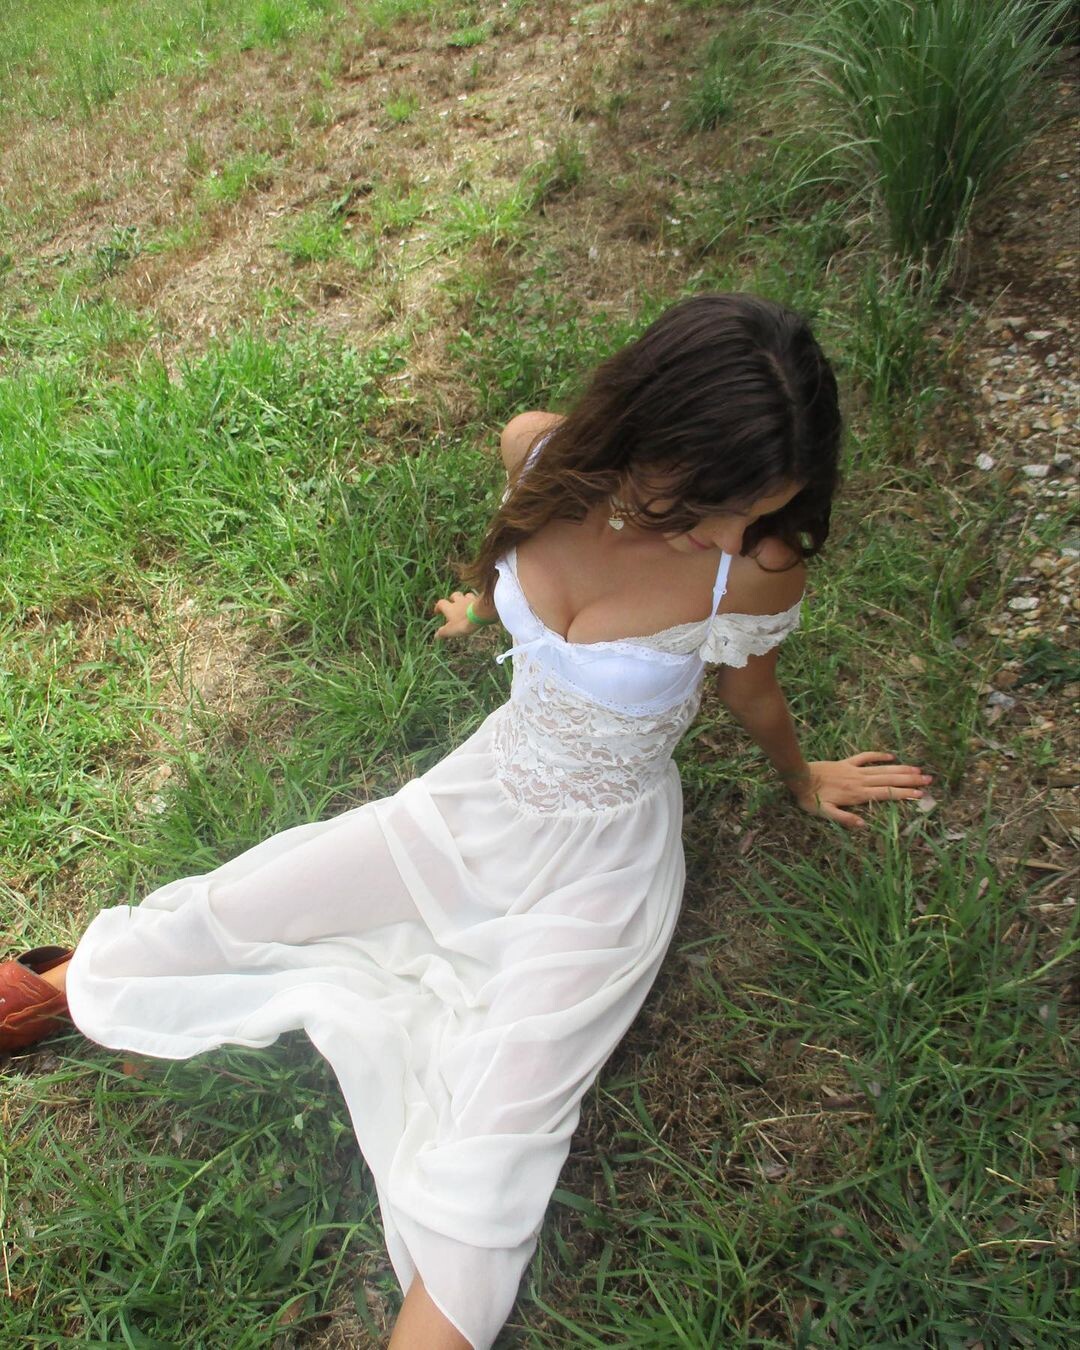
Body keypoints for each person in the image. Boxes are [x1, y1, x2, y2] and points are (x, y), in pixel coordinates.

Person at [0, 294, 931, 1348]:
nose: (728, 534)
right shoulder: (544, 455)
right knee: (247, 904)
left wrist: (802, 776)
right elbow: (519, 541)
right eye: (710, 503)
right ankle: (52, 990)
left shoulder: (751, 566)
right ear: (644, 436)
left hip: (600, 869)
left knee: (501, 1136)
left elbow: (750, 688)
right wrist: (485, 604)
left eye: (758, 510)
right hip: (477, 796)